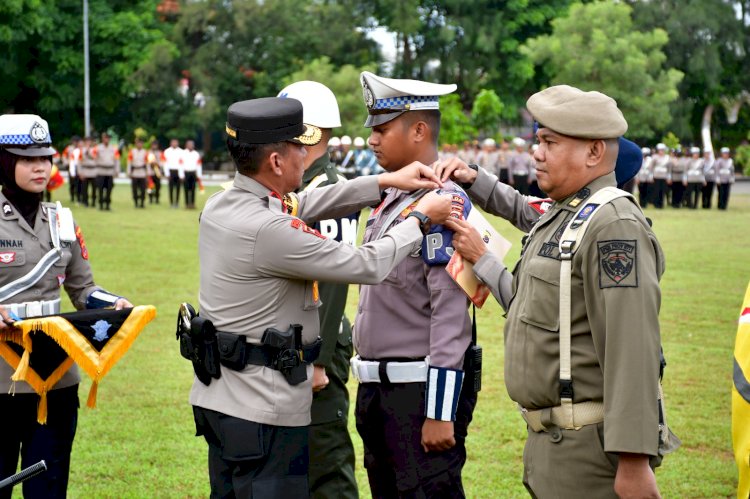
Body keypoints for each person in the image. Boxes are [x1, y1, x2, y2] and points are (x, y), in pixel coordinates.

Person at [189, 96, 452, 498]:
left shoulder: (224, 204)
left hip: (223, 400)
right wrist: (418, 218)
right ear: (277, 161)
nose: (306, 155)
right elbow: (367, 265)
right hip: (264, 410)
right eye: (299, 147)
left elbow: (305, 203)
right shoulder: (270, 230)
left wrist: (385, 181)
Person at [436, 85, 678, 497]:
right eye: (538, 141)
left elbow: (631, 348)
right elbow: (535, 301)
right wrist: (474, 181)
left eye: (550, 142)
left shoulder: (613, 225)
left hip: (590, 452)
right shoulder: (567, 214)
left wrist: (634, 461)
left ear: (594, 153)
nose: (537, 153)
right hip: (555, 445)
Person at [353, 71, 477, 498]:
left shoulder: (444, 201)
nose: (372, 140)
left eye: (382, 129)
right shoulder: (392, 198)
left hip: (416, 396)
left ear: (419, 130)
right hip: (377, 392)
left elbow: (450, 311)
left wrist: (440, 411)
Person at [0, 114, 132, 499]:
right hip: (1, 382)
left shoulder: (62, 221)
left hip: (54, 379)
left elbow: (83, 288)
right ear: (5, 162)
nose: (40, 167)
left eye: (45, 158)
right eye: (27, 159)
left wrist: (115, 304)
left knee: (49, 489)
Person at [277, 80, 359, 499]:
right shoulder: (296, 188)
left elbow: (333, 279)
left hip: (317, 348)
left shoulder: (327, 190)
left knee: (325, 466)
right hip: (292, 339)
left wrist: (319, 359)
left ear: (305, 133)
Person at [95, 132, 119, 211]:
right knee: (100, 189)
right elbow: (93, 158)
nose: (107, 139)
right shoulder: (98, 148)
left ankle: (108, 205)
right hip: (101, 171)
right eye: (105, 138)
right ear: (102, 139)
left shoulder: (113, 148)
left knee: (109, 189)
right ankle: (101, 204)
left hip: (109, 171)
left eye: (108, 138)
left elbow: (116, 160)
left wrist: (117, 171)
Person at [127, 138, 149, 208]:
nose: (139, 144)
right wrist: (129, 172)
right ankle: (136, 203)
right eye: (138, 143)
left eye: (141, 143)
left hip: (142, 173)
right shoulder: (132, 151)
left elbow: (147, 163)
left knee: (143, 189)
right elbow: (129, 162)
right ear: (136, 144)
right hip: (135, 172)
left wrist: (148, 173)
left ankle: (142, 203)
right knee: (134, 189)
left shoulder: (145, 152)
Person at [163, 138, 183, 208]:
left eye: (176, 142)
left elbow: (181, 164)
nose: (174, 144)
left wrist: (181, 174)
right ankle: (171, 203)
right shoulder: (167, 151)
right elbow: (165, 163)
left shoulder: (181, 151)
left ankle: (176, 203)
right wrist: (167, 173)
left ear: (178, 143)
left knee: (178, 188)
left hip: (178, 171)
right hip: (170, 171)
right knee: (170, 188)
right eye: (173, 142)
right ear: (171, 143)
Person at [79, 136, 98, 207]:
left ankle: (93, 201)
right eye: (87, 141)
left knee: (94, 188)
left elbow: (95, 158)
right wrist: (80, 172)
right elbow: (80, 162)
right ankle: (85, 201)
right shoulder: (82, 150)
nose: (88, 143)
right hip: (85, 170)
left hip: (93, 170)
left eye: (89, 141)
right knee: (84, 188)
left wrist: (89, 152)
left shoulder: (95, 149)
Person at [650, 143, 670, 208]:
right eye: (660, 150)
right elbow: (651, 167)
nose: (661, 151)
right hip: (656, 176)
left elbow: (669, 168)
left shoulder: (667, 157)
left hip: (664, 176)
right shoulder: (654, 157)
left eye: (662, 150)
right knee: (656, 190)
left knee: (663, 191)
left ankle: (661, 204)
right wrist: (651, 176)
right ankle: (656, 204)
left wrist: (669, 177)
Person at [147, 140, 163, 204]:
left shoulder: (160, 153)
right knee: (150, 187)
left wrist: (157, 163)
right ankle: (150, 198)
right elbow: (147, 163)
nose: (154, 146)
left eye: (155, 145)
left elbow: (162, 162)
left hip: (158, 172)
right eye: (153, 145)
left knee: (158, 186)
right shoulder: (148, 153)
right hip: (151, 172)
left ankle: (157, 198)